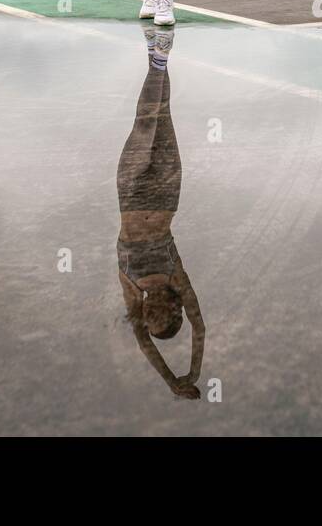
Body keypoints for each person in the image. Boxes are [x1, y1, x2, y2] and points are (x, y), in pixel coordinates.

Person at [116, 29, 205, 398]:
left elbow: (144, 344)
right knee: (160, 113)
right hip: (168, 190)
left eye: (148, 324)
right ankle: (158, 54)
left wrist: (170, 382)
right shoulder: (176, 279)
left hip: (131, 190)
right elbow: (200, 329)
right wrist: (192, 372)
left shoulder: (132, 291)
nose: (149, 323)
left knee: (144, 119)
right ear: (173, 312)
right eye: (159, 323)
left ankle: (157, 57)